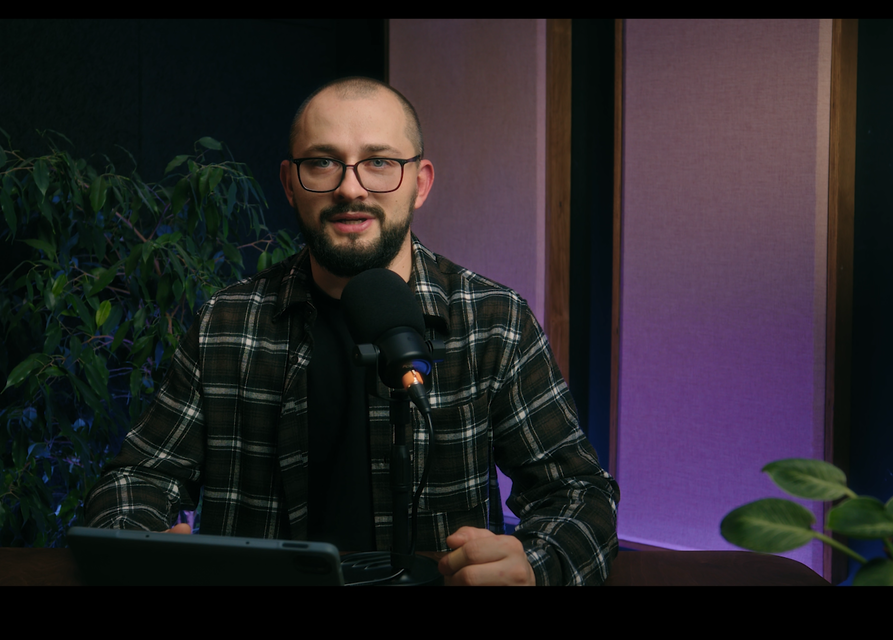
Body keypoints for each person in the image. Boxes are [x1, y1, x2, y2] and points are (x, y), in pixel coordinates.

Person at [84, 77, 619, 586]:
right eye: (322, 162)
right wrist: (140, 548)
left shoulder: (494, 320)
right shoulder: (225, 323)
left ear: (420, 183)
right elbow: (137, 479)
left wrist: (537, 566)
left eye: (379, 162)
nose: (350, 188)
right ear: (289, 183)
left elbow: (579, 494)